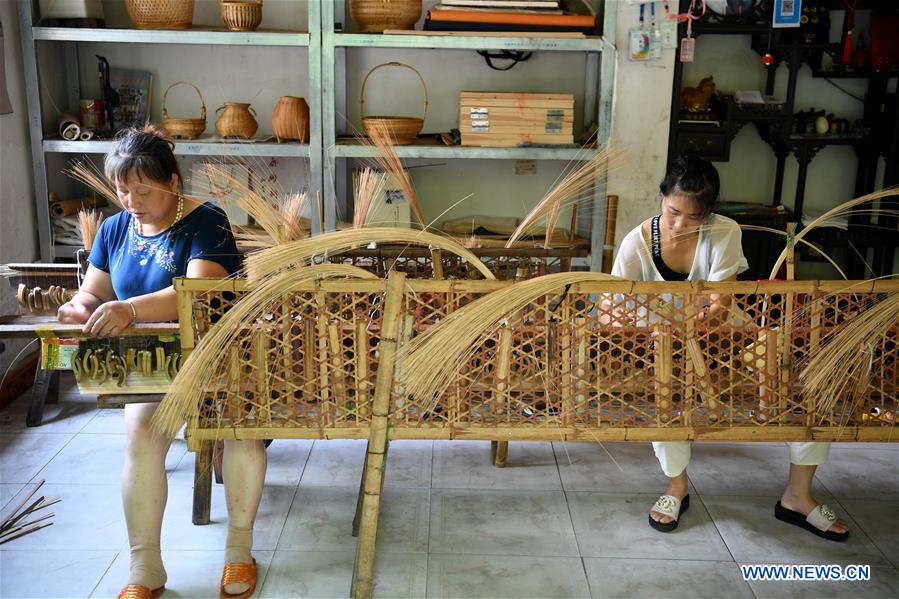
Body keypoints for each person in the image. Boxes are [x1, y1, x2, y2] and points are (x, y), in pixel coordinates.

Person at [58, 125, 267, 599]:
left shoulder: (206, 220)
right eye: (122, 189)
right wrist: (78, 307)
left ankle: (238, 553)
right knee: (142, 439)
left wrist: (129, 310)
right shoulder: (114, 230)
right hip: (152, 360)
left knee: (239, 431)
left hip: (219, 353)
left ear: (173, 183)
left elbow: (194, 294)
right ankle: (145, 568)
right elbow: (95, 290)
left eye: (143, 189)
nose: (131, 200)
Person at [609, 154, 849, 542]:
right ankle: (677, 487)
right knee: (667, 394)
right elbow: (614, 307)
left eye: (693, 217)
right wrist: (643, 329)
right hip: (663, 344)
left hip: (728, 340)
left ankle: (797, 497)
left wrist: (694, 329)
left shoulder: (725, 232)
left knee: (798, 387)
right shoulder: (636, 243)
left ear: (709, 215)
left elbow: (720, 306)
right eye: (672, 212)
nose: (680, 225)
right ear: (662, 199)